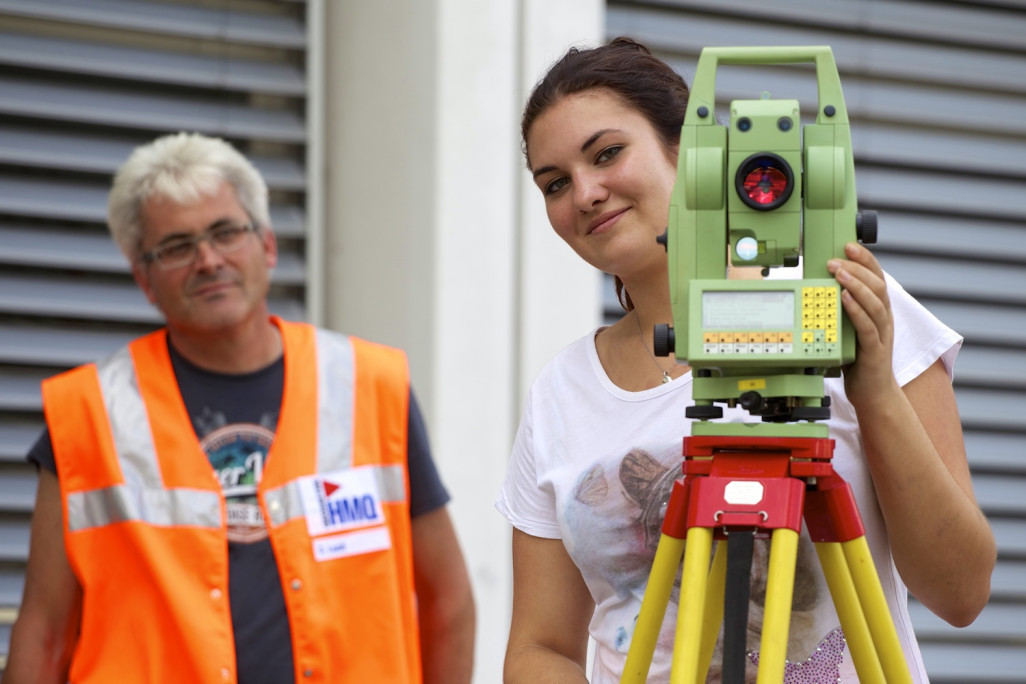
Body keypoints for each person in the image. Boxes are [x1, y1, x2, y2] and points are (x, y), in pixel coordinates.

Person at [496, 37, 995, 683]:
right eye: (555, 183)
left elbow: (960, 592)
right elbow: (540, 648)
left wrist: (869, 385)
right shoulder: (562, 391)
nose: (585, 193)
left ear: (692, 154)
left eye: (608, 153)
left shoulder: (847, 307)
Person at [3, 132, 475, 684]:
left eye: (226, 232)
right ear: (144, 279)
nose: (208, 260)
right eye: (176, 246)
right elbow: (44, 632)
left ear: (268, 245)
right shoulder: (87, 412)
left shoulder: (369, 385)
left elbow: (449, 602)